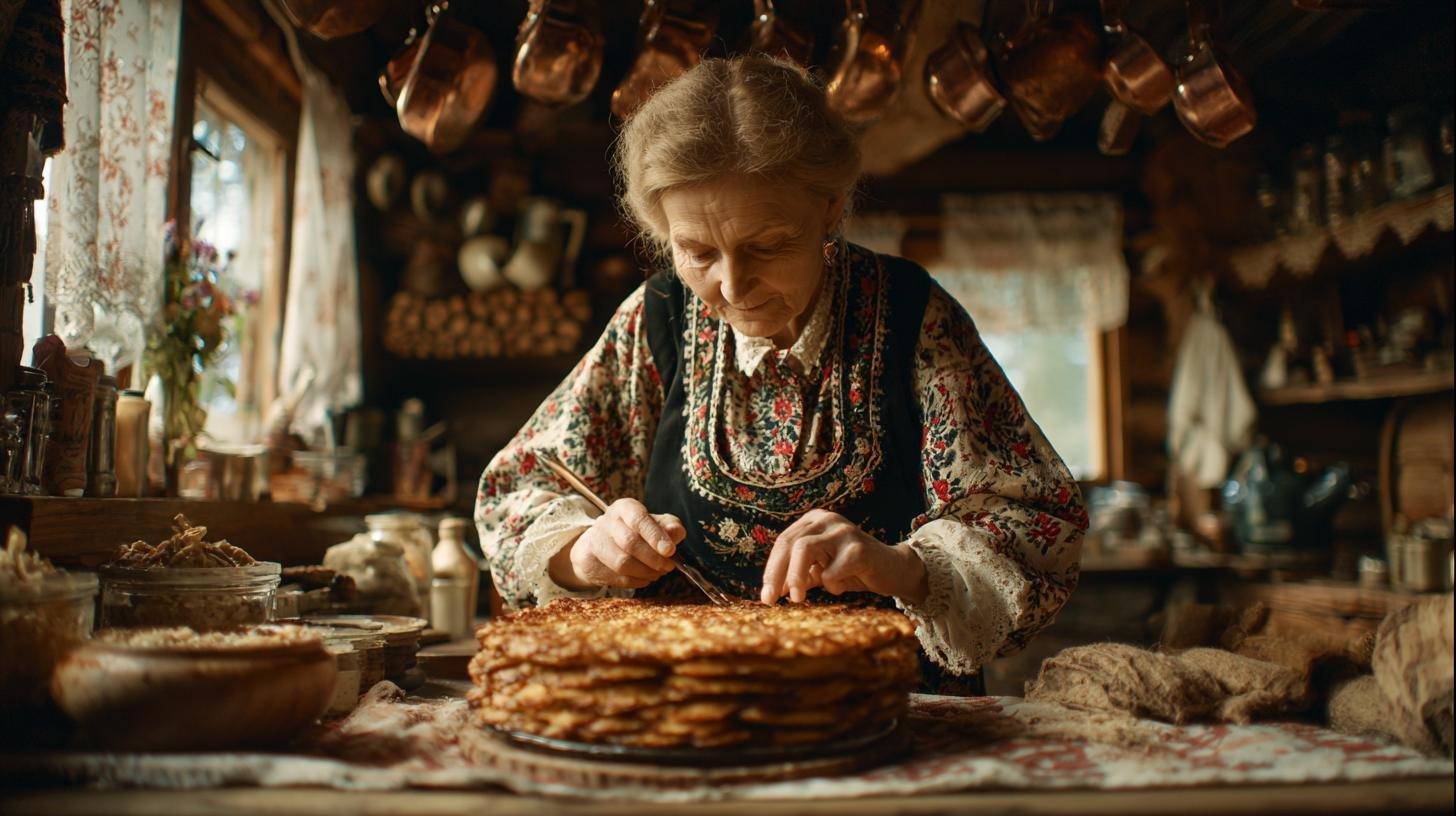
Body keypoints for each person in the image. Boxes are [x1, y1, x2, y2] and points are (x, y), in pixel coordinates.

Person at [475, 55, 1086, 692]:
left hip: (890, 716)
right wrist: (584, 551)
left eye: (767, 245)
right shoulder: (653, 321)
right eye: (698, 252)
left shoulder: (913, 317)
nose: (732, 286)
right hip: (686, 713)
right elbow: (517, 491)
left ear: (829, 208)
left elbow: (1034, 532)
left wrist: (898, 566)